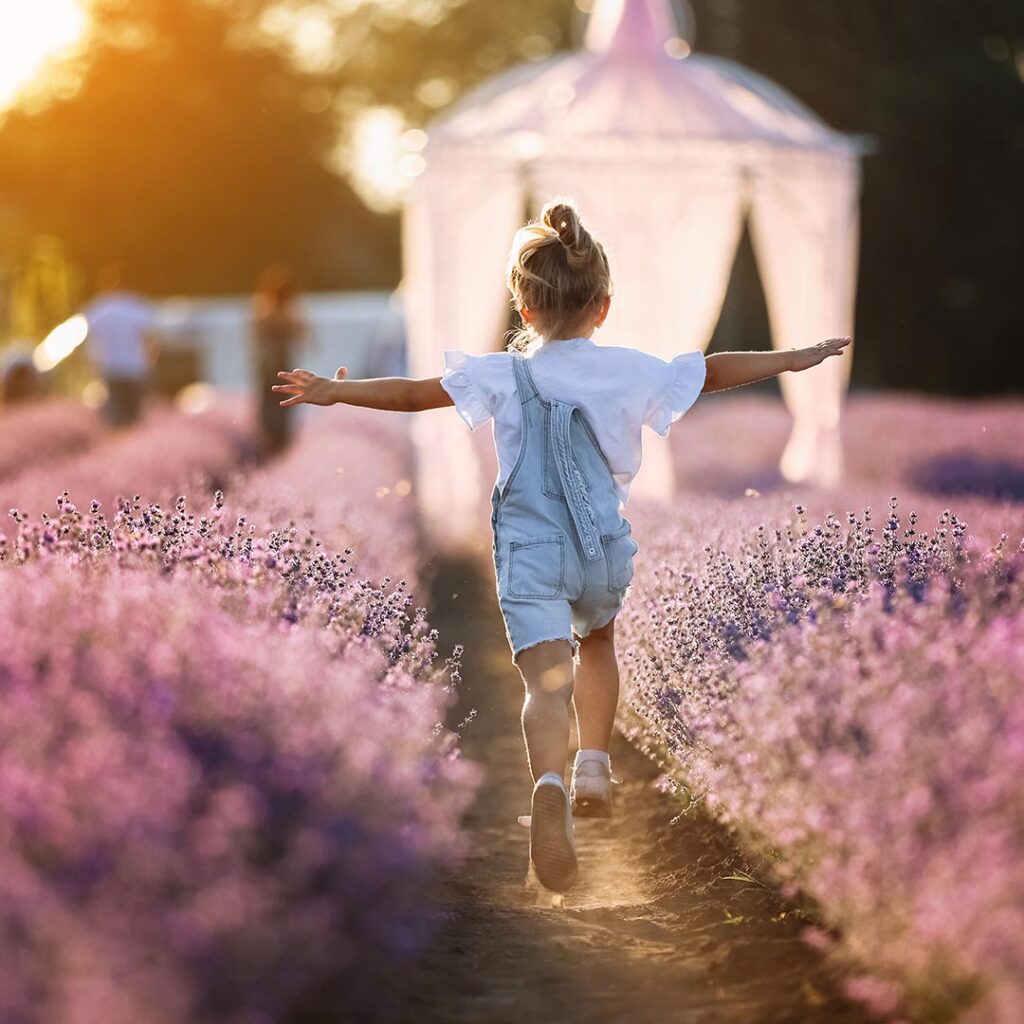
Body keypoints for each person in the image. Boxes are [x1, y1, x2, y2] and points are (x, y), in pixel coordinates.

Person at [273, 198, 850, 893]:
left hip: (527, 549)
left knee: (546, 679)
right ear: (602, 307)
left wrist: (338, 395)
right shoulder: (631, 369)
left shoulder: (499, 373)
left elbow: (412, 397)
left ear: (522, 303)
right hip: (600, 544)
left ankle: (548, 781)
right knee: (599, 642)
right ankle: (595, 765)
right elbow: (716, 368)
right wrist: (798, 356)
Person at [82, 264, 156, 427]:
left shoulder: (97, 309)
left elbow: (89, 342)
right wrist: (149, 364)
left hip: (111, 369)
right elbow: (149, 340)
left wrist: (94, 365)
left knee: (116, 418)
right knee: (135, 418)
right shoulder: (137, 307)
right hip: (135, 369)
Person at [251, 264, 308, 453]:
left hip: (276, 368)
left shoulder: (270, 313)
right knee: (274, 411)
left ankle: (276, 446)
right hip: (272, 369)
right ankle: (273, 446)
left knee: (279, 411)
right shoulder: (266, 313)